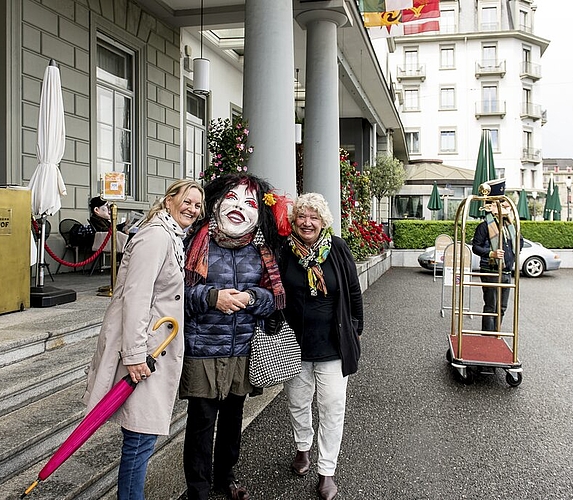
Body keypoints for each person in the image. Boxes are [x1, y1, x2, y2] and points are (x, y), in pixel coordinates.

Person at [82, 180, 205, 500]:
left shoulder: (170, 235)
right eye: (187, 201)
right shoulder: (156, 236)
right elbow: (135, 297)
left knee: (141, 439)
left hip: (153, 349)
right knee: (139, 440)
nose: (192, 209)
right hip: (145, 352)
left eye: (197, 205)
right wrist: (135, 354)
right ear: (168, 201)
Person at [180, 174, 285, 500]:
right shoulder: (193, 243)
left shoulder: (262, 250)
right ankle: (197, 489)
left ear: (260, 213)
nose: (240, 207)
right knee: (200, 424)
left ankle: (226, 477)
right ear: (215, 202)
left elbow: (274, 301)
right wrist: (213, 298)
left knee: (232, 421)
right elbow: (176, 294)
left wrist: (253, 298)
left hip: (243, 348)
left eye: (249, 203)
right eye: (232, 199)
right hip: (202, 347)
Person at [279, 193, 363, 500]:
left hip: (332, 346)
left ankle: (326, 470)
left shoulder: (337, 248)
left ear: (323, 221)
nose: (307, 222)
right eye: (302, 216)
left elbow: (353, 291)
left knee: (331, 408)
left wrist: (356, 329)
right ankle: (303, 449)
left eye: (314, 217)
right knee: (298, 403)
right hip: (295, 345)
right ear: (295, 221)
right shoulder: (285, 250)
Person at [471, 192, 523, 332]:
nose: (507, 209)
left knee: (502, 307)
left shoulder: (509, 226)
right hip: (490, 270)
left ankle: (496, 333)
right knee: (491, 306)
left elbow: (519, 243)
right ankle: (488, 337)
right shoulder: (484, 226)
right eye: (502, 206)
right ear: (492, 207)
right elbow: (476, 247)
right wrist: (491, 253)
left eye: (507, 207)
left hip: (506, 271)